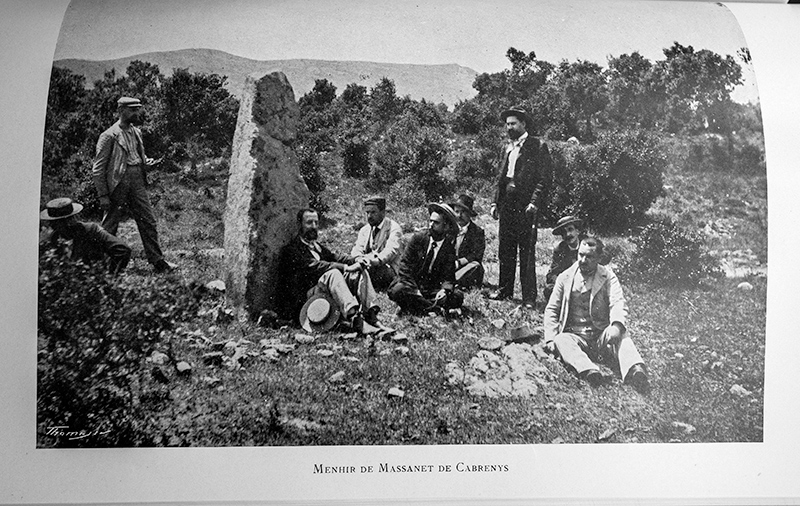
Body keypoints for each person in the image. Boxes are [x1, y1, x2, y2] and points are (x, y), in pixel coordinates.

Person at [544, 237, 649, 393]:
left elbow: (617, 302)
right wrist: (551, 339)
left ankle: (635, 369)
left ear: (599, 258)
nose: (583, 260)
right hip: (576, 336)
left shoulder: (608, 277)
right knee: (561, 340)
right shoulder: (565, 277)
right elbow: (552, 309)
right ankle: (589, 371)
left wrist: (616, 325)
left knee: (623, 335)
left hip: (601, 336)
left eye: (589, 256)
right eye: (580, 255)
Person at [92, 96, 175, 273]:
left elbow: (138, 156)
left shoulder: (136, 132)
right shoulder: (109, 136)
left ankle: (157, 261)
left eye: (138, 109)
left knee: (148, 220)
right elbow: (98, 169)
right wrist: (103, 195)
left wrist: (150, 162)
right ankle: (100, 264)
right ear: (121, 111)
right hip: (118, 182)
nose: (137, 113)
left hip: (137, 179)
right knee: (110, 225)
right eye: (132, 110)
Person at [489, 106, 552, 309]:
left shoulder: (537, 146)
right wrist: (495, 202)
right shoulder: (507, 147)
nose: (509, 128)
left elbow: (544, 179)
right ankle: (504, 290)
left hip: (526, 207)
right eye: (507, 124)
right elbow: (500, 177)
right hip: (507, 204)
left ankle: (528, 298)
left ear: (523, 124)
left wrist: (534, 201)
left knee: (526, 252)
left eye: (513, 124)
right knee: (505, 249)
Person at [279, 208, 381, 331]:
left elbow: (335, 257)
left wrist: (357, 260)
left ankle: (370, 315)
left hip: (324, 293)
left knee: (359, 271)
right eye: (309, 223)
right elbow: (316, 265)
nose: (314, 226)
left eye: (316, 223)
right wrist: (347, 268)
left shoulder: (316, 246)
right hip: (306, 301)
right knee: (333, 274)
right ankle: (354, 318)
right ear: (299, 224)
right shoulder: (292, 249)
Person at [388, 203, 464, 315]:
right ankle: (435, 310)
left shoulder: (449, 247)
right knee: (397, 290)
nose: (431, 225)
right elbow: (404, 267)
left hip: (432, 287)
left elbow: (449, 275)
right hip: (412, 284)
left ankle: (414, 307)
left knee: (457, 297)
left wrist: (444, 290)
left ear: (446, 226)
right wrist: (414, 290)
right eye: (431, 221)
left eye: (436, 223)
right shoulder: (418, 238)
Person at [39, 197, 131, 274]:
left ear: (68, 221)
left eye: (55, 223)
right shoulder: (52, 240)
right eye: (51, 223)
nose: (51, 226)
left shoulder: (91, 230)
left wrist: (112, 278)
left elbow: (122, 250)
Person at [350, 196, 403, 291]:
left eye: (373, 212)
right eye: (367, 213)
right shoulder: (365, 229)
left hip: (388, 269)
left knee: (361, 272)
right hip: (368, 265)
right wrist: (359, 258)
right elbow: (357, 248)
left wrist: (373, 261)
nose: (369, 216)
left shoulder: (393, 228)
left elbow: (390, 252)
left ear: (383, 213)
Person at [544, 215, 584, 301]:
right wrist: (562, 282)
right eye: (563, 232)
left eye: (570, 229)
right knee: (549, 289)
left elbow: (605, 257)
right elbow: (552, 274)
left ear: (577, 231)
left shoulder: (587, 244)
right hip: (568, 284)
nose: (568, 235)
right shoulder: (560, 249)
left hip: (587, 282)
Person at [450, 194, 485, 290]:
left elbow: (476, 255)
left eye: (463, 212)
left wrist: (458, 263)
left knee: (475, 266)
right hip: (449, 267)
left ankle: (453, 282)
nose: (459, 215)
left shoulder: (477, 232)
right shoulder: (449, 229)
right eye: (457, 212)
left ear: (469, 214)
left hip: (465, 267)